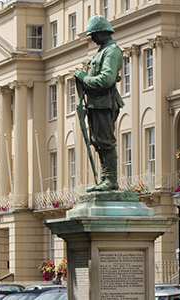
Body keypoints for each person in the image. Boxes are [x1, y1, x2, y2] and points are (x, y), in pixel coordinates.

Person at [74, 15, 124, 192]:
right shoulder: (101, 51)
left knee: (106, 141)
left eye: (93, 34)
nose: (92, 38)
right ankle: (105, 179)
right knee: (98, 142)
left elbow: (107, 79)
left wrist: (85, 78)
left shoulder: (112, 51)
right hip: (96, 104)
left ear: (103, 32)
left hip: (105, 103)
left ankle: (110, 179)